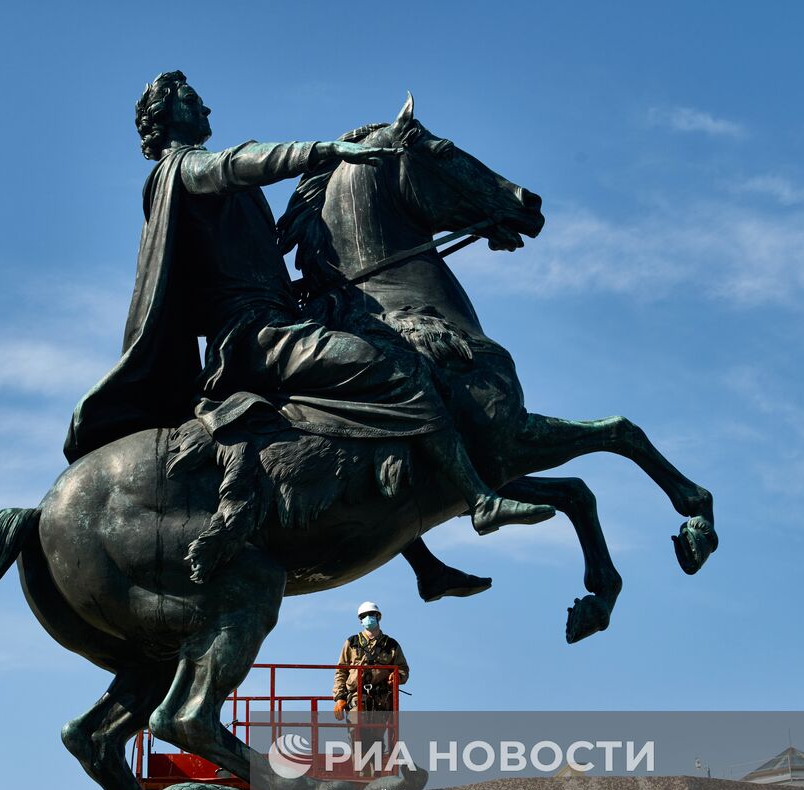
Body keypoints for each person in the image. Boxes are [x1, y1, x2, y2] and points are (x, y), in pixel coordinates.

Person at [63, 71, 553, 581]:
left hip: (272, 320)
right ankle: (480, 501)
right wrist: (324, 150)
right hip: (255, 337)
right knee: (395, 369)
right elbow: (238, 163)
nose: (206, 109)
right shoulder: (184, 168)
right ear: (166, 117)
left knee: (363, 392)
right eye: (192, 100)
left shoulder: (204, 181)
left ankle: (424, 563)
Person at [333, 601, 408, 776]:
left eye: (371, 615)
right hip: (356, 697)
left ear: (378, 617)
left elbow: (403, 669)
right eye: (364, 616)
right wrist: (339, 698)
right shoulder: (352, 642)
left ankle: (375, 773)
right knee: (356, 730)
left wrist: (397, 676)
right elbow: (341, 671)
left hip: (380, 700)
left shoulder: (391, 645)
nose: (368, 619)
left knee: (376, 736)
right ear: (360, 620)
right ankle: (360, 771)